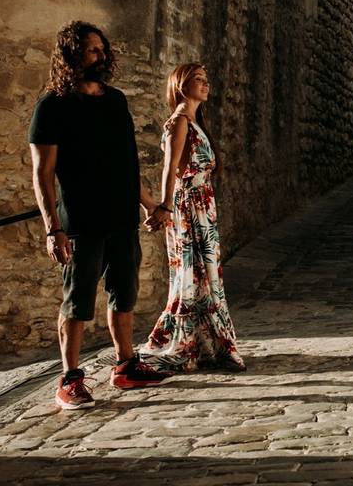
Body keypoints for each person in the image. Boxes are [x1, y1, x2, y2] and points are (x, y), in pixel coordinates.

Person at [29, 21, 173, 411]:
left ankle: (126, 364)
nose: (102, 56)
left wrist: (149, 204)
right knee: (77, 302)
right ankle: (69, 378)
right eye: (93, 50)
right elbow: (42, 173)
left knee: (123, 293)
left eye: (102, 49)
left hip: (121, 218)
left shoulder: (115, 101)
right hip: (80, 221)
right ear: (73, 55)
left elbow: (127, 165)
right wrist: (52, 229)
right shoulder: (52, 106)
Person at [140, 63, 245, 372]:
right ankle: (182, 343)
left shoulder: (196, 123)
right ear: (180, 86)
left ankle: (205, 345)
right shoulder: (180, 123)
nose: (205, 84)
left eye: (206, 79)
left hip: (203, 207)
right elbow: (170, 168)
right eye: (197, 80)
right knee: (191, 276)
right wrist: (165, 207)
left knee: (205, 276)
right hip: (188, 208)